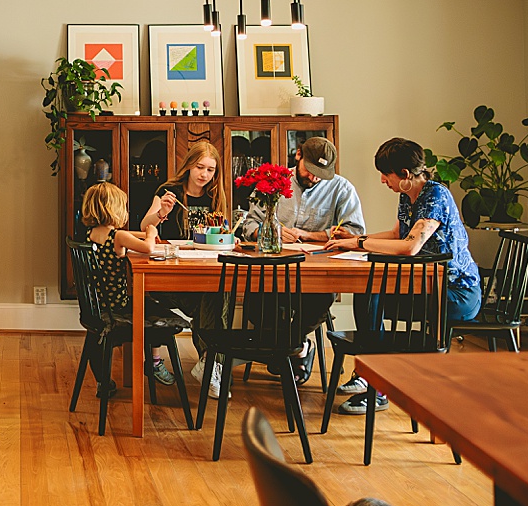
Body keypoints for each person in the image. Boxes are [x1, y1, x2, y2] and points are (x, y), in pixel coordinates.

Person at [327, 137, 483, 415]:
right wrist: (355, 238)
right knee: (368, 293)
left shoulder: (435, 196)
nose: (382, 181)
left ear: (405, 175)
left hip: (456, 293)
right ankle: (372, 377)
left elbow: (411, 246)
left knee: (373, 298)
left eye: (386, 175)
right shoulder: (408, 195)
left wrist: (358, 245)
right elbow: (398, 234)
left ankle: (377, 385)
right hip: (428, 288)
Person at [240, 136, 365, 384]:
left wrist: (309, 235)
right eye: (311, 170)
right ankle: (300, 347)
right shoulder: (273, 182)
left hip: (316, 275)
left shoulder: (341, 189)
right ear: (298, 156)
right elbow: (247, 223)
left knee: (318, 302)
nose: (315, 177)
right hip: (271, 271)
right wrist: (268, 231)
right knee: (255, 305)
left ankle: (287, 350)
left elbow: (354, 231)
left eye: (322, 173)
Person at [138, 140, 230, 397]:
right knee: (210, 303)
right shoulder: (170, 190)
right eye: (200, 167)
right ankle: (212, 364)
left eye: (211, 170)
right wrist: (161, 213)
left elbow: (221, 233)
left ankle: (210, 364)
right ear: (189, 165)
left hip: (204, 270)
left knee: (217, 295)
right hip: (171, 274)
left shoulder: (215, 196)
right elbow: (145, 224)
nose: (204, 174)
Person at [80, 182, 181, 386]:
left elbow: (131, 237)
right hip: (118, 305)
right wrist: (151, 233)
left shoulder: (92, 234)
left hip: (99, 304)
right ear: (114, 209)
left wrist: (142, 233)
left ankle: (103, 381)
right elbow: (147, 248)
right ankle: (154, 361)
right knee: (152, 305)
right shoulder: (118, 236)